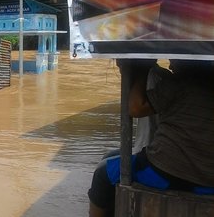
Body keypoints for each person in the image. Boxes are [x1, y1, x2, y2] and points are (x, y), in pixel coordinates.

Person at [88, 59, 214, 217]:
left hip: (170, 172)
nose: (170, 65)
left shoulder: (179, 83)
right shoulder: (207, 82)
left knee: (102, 173)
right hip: (207, 176)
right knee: (110, 157)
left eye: (174, 60)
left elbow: (135, 108)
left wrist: (144, 69)